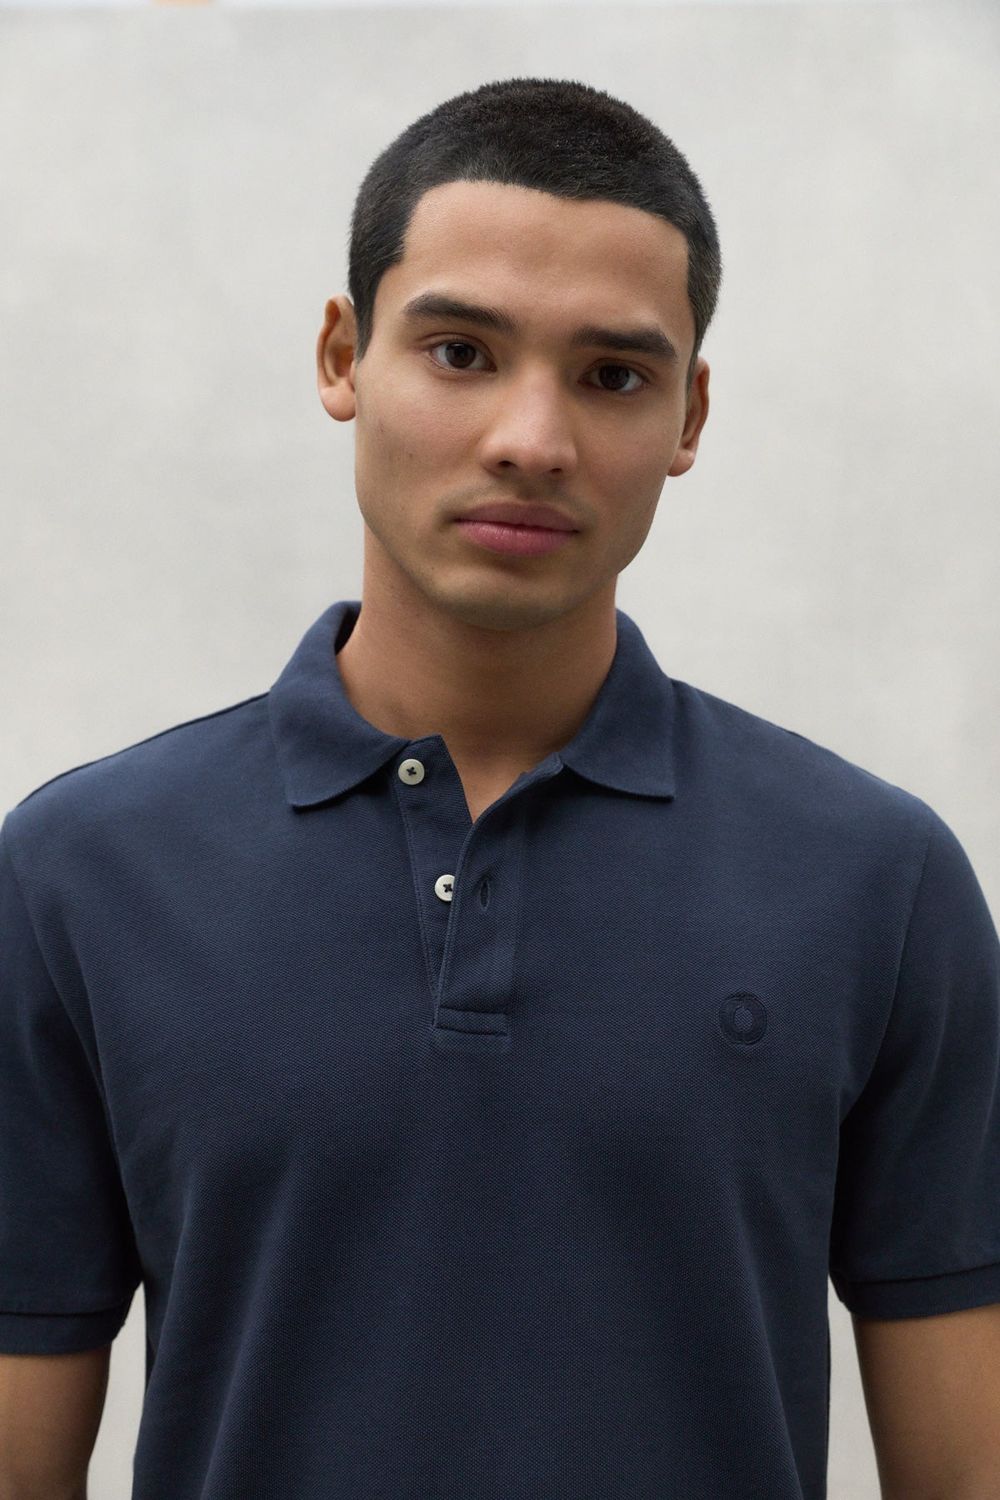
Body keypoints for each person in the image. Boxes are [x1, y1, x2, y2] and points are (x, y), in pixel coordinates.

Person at [1, 76, 998, 1500]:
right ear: (343, 356)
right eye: (461, 351)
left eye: (613, 375)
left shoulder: (877, 883)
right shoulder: (77, 874)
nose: (533, 436)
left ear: (690, 414)